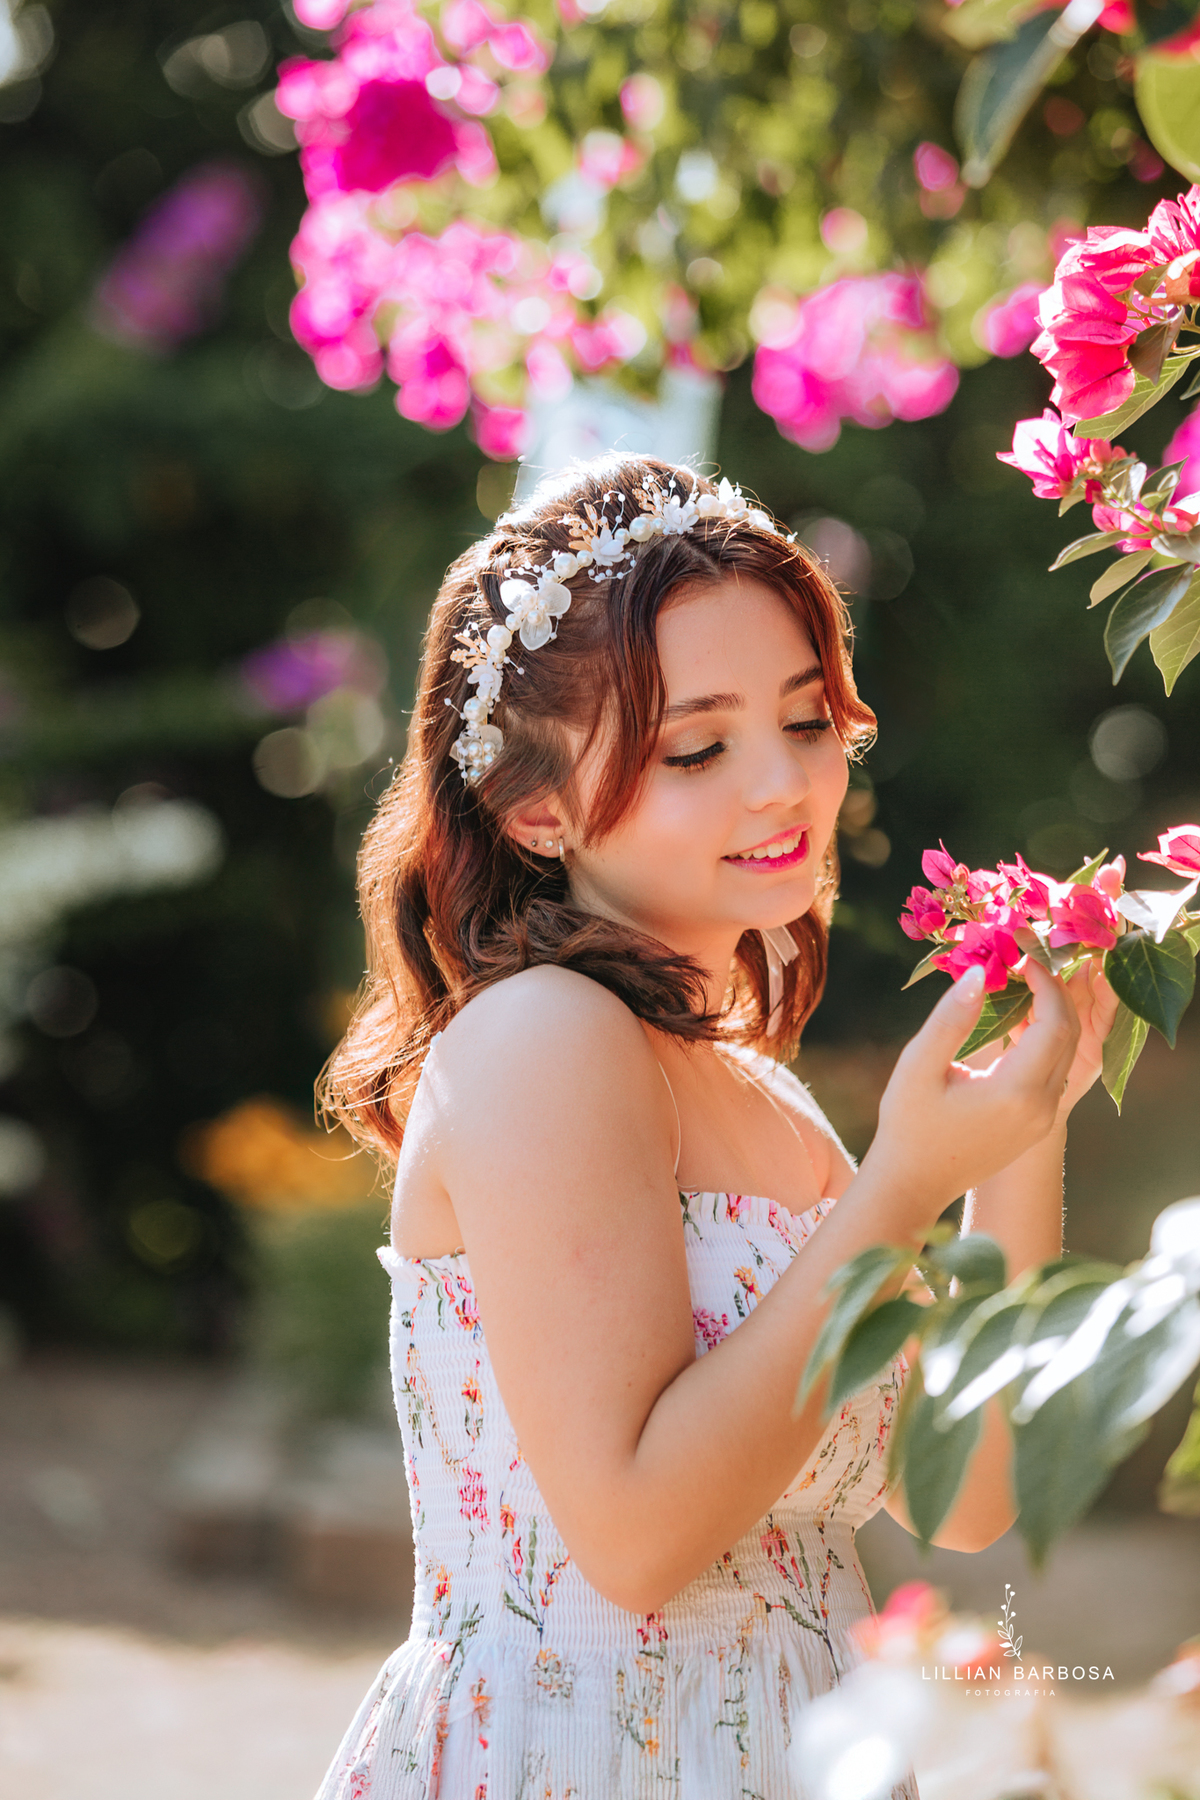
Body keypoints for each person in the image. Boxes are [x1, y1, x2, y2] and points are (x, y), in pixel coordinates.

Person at [313, 453, 1116, 1799]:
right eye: (699, 745)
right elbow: (632, 1537)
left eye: (808, 724)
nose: (781, 785)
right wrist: (904, 1182)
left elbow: (970, 1492)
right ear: (535, 805)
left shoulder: (753, 1085)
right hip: (583, 1758)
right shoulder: (545, 1037)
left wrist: (1026, 1125)